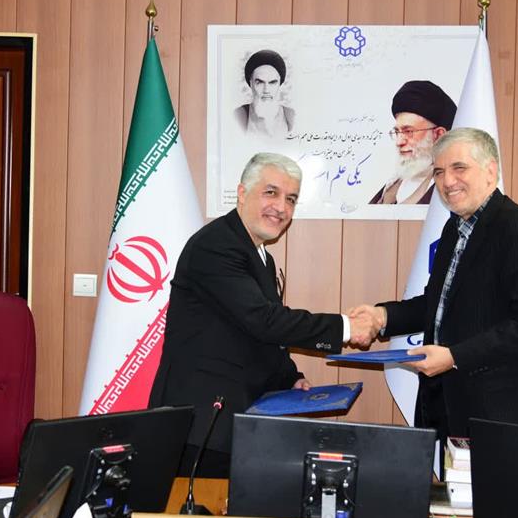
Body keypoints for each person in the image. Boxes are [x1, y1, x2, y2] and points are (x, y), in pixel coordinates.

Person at [149, 152, 378, 477]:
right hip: (201, 425)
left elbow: (258, 335)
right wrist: (345, 327)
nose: (281, 207)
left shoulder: (260, 256)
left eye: (291, 199)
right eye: (271, 193)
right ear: (242, 193)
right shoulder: (215, 245)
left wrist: (289, 379)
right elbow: (263, 320)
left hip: (234, 422)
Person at [353, 128, 518, 447]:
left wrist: (454, 356)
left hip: (505, 414)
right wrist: (382, 317)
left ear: (491, 170)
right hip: (454, 407)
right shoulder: (454, 229)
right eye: (438, 172)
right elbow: (437, 304)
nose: (447, 181)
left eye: (459, 168)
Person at [369, 80, 456, 205]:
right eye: (397, 132)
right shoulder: (392, 186)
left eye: (409, 131)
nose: (399, 142)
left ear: (438, 135)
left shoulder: (454, 189)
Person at [234, 49, 295, 138]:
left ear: (280, 84)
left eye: (272, 82)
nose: (266, 90)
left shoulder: (292, 117)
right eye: (260, 82)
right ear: (251, 83)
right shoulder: (237, 116)